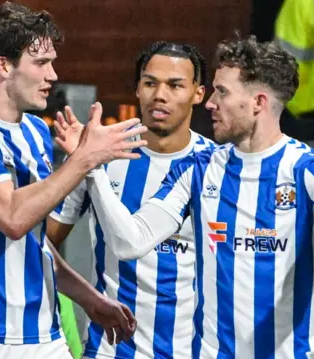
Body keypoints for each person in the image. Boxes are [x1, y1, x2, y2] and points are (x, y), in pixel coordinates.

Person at [56, 35, 314, 359]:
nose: (210, 103)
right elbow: (131, 243)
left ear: (258, 103)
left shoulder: (307, 169)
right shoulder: (198, 168)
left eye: (221, 92)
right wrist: (91, 167)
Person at [0, 3, 144, 358]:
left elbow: (34, 242)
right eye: (41, 63)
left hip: (47, 334)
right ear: (4, 66)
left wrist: (91, 300)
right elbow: (12, 219)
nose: (53, 75)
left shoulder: (35, 132)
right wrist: (84, 159)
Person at [47, 41, 215, 359]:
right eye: (150, 83)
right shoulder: (100, 156)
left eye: (175, 85)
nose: (159, 95)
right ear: (138, 89)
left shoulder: (219, 169)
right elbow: (41, 244)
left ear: (198, 93)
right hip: (108, 351)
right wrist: (82, 299)